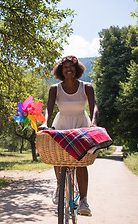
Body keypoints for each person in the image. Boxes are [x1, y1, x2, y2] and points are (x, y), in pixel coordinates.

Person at [39, 55, 98, 216]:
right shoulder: (54, 89)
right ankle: (60, 185)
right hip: (62, 124)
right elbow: (49, 109)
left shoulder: (86, 87)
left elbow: (94, 107)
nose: (68, 69)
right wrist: (45, 123)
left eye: (70, 66)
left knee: (81, 163)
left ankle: (84, 200)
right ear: (60, 70)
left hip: (81, 125)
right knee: (57, 157)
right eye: (64, 67)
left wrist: (94, 123)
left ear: (77, 68)